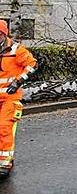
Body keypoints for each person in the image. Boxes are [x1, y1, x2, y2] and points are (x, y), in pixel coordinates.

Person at [0, 20, 37, 178]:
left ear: (3, 34)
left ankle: (4, 163)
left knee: (4, 127)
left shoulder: (16, 50)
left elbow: (32, 65)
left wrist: (18, 81)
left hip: (10, 97)